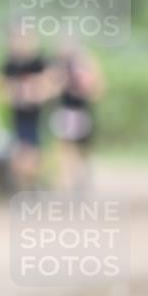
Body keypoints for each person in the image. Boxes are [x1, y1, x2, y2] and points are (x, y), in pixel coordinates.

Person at [49, 42, 105, 192]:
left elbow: (96, 92)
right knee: (65, 149)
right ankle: (67, 183)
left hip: (80, 113)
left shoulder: (86, 66)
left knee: (81, 150)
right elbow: (52, 89)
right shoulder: (59, 66)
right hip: (65, 112)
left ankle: (79, 178)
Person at [0, 27, 51, 190]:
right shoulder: (9, 63)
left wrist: (35, 91)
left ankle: (32, 183)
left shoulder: (40, 61)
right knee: (19, 151)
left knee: (33, 152)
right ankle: (23, 185)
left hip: (37, 115)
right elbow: (1, 88)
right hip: (17, 115)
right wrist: (15, 92)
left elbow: (52, 83)